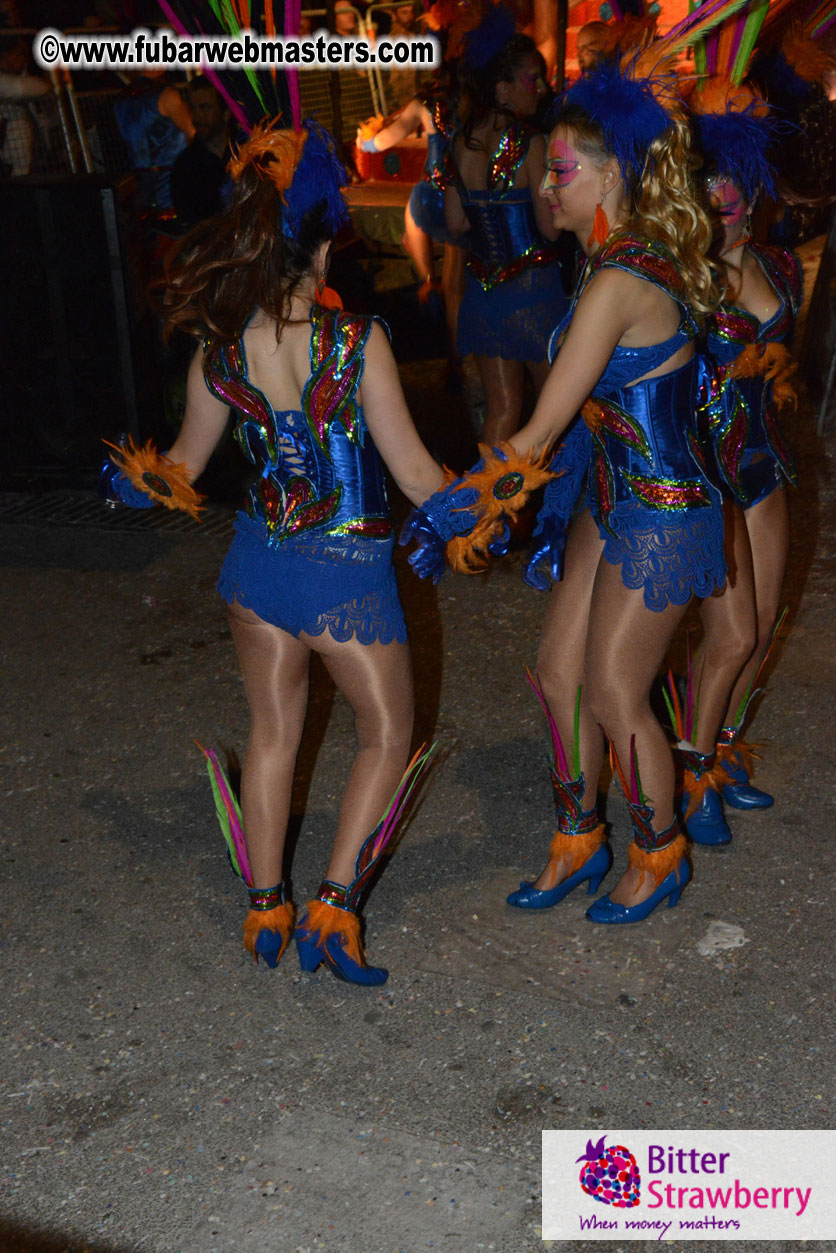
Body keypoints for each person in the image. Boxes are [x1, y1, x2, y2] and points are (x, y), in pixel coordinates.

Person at [102, 119, 446, 985]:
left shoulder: (218, 353)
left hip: (258, 570)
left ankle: (265, 907)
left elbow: (178, 468)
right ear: (326, 241)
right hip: (347, 578)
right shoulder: (357, 340)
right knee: (387, 731)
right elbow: (414, 476)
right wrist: (503, 496)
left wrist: (129, 479)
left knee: (271, 732)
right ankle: (334, 904)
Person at [406, 46, 725, 923]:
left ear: (611, 175)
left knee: (618, 690)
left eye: (561, 170)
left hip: (662, 510)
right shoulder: (604, 263)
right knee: (557, 671)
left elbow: (539, 429)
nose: (546, 186)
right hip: (611, 499)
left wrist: (450, 507)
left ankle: (660, 851)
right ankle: (578, 836)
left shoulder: (619, 279)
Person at [680, 79, 802, 843]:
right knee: (726, 637)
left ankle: (721, 753)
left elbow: (786, 361)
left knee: (759, 625)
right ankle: (690, 775)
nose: (728, 215)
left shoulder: (780, 268)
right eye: (714, 205)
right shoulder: (684, 279)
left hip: (765, 462)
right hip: (707, 467)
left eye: (737, 203)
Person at [445, 6, 569, 444]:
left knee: (502, 413)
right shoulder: (533, 143)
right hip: (535, 293)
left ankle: (492, 511)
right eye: (532, 79)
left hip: (485, 295)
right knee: (563, 407)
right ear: (501, 89)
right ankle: (569, 506)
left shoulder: (463, 141)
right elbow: (550, 230)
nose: (542, 87)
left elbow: (456, 221)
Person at [170, 76, 233, 230]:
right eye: (193, 108)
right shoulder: (186, 166)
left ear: (226, 113)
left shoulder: (246, 152)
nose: (197, 117)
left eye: (205, 108)